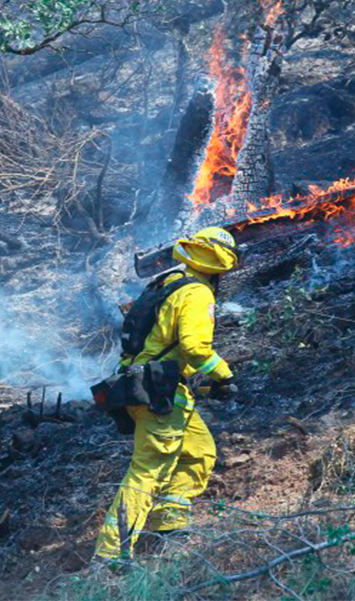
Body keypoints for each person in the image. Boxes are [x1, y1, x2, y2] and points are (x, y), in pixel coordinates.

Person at [93, 227, 239, 560]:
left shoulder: (167, 282)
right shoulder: (198, 292)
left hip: (146, 387)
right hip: (160, 393)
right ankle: (111, 554)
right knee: (148, 472)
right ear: (222, 264)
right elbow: (195, 347)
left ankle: (168, 526)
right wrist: (224, 375)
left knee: (198, 451)